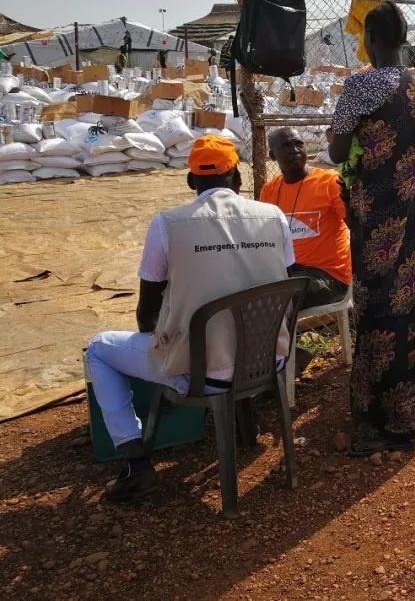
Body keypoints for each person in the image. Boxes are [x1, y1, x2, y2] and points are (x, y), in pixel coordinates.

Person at [84, 136, 293, 501]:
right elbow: (280, 278)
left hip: (201, 374)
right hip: (267, 361)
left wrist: (158, 347)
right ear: (238, 178)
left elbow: (147, 307)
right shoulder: (273, 217)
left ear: (191, 182)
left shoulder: (168, 224)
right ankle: (246, 420)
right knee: (235, 314)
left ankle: (135, 462)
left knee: (99, 349)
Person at [327, 2, 415, 455]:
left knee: (379, 310)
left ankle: (386, 423)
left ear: (371, 38)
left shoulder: (360, 86)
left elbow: (337, 152)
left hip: (379, 219)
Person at [261, 128, 350, 310]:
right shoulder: (269, 190)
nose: (294, 150)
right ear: (272, 155)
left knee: (275, 300)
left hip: (328, 276)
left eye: (298, 144)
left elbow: (356, 227)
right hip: (288, 272)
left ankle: (279, 339)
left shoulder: (329, 182)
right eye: (286, 146)